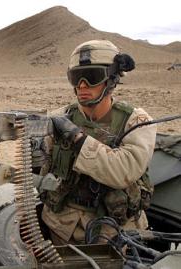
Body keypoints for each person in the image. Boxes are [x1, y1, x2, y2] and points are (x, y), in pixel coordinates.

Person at [38, 40, 157, 245]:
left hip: (116, 231)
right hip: (62, 226)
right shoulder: (59, 117)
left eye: (92, 77)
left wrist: (77, 138)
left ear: (112, 79)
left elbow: (125, 169)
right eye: (76, 77)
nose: (82, 85)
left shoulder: (136, 121)